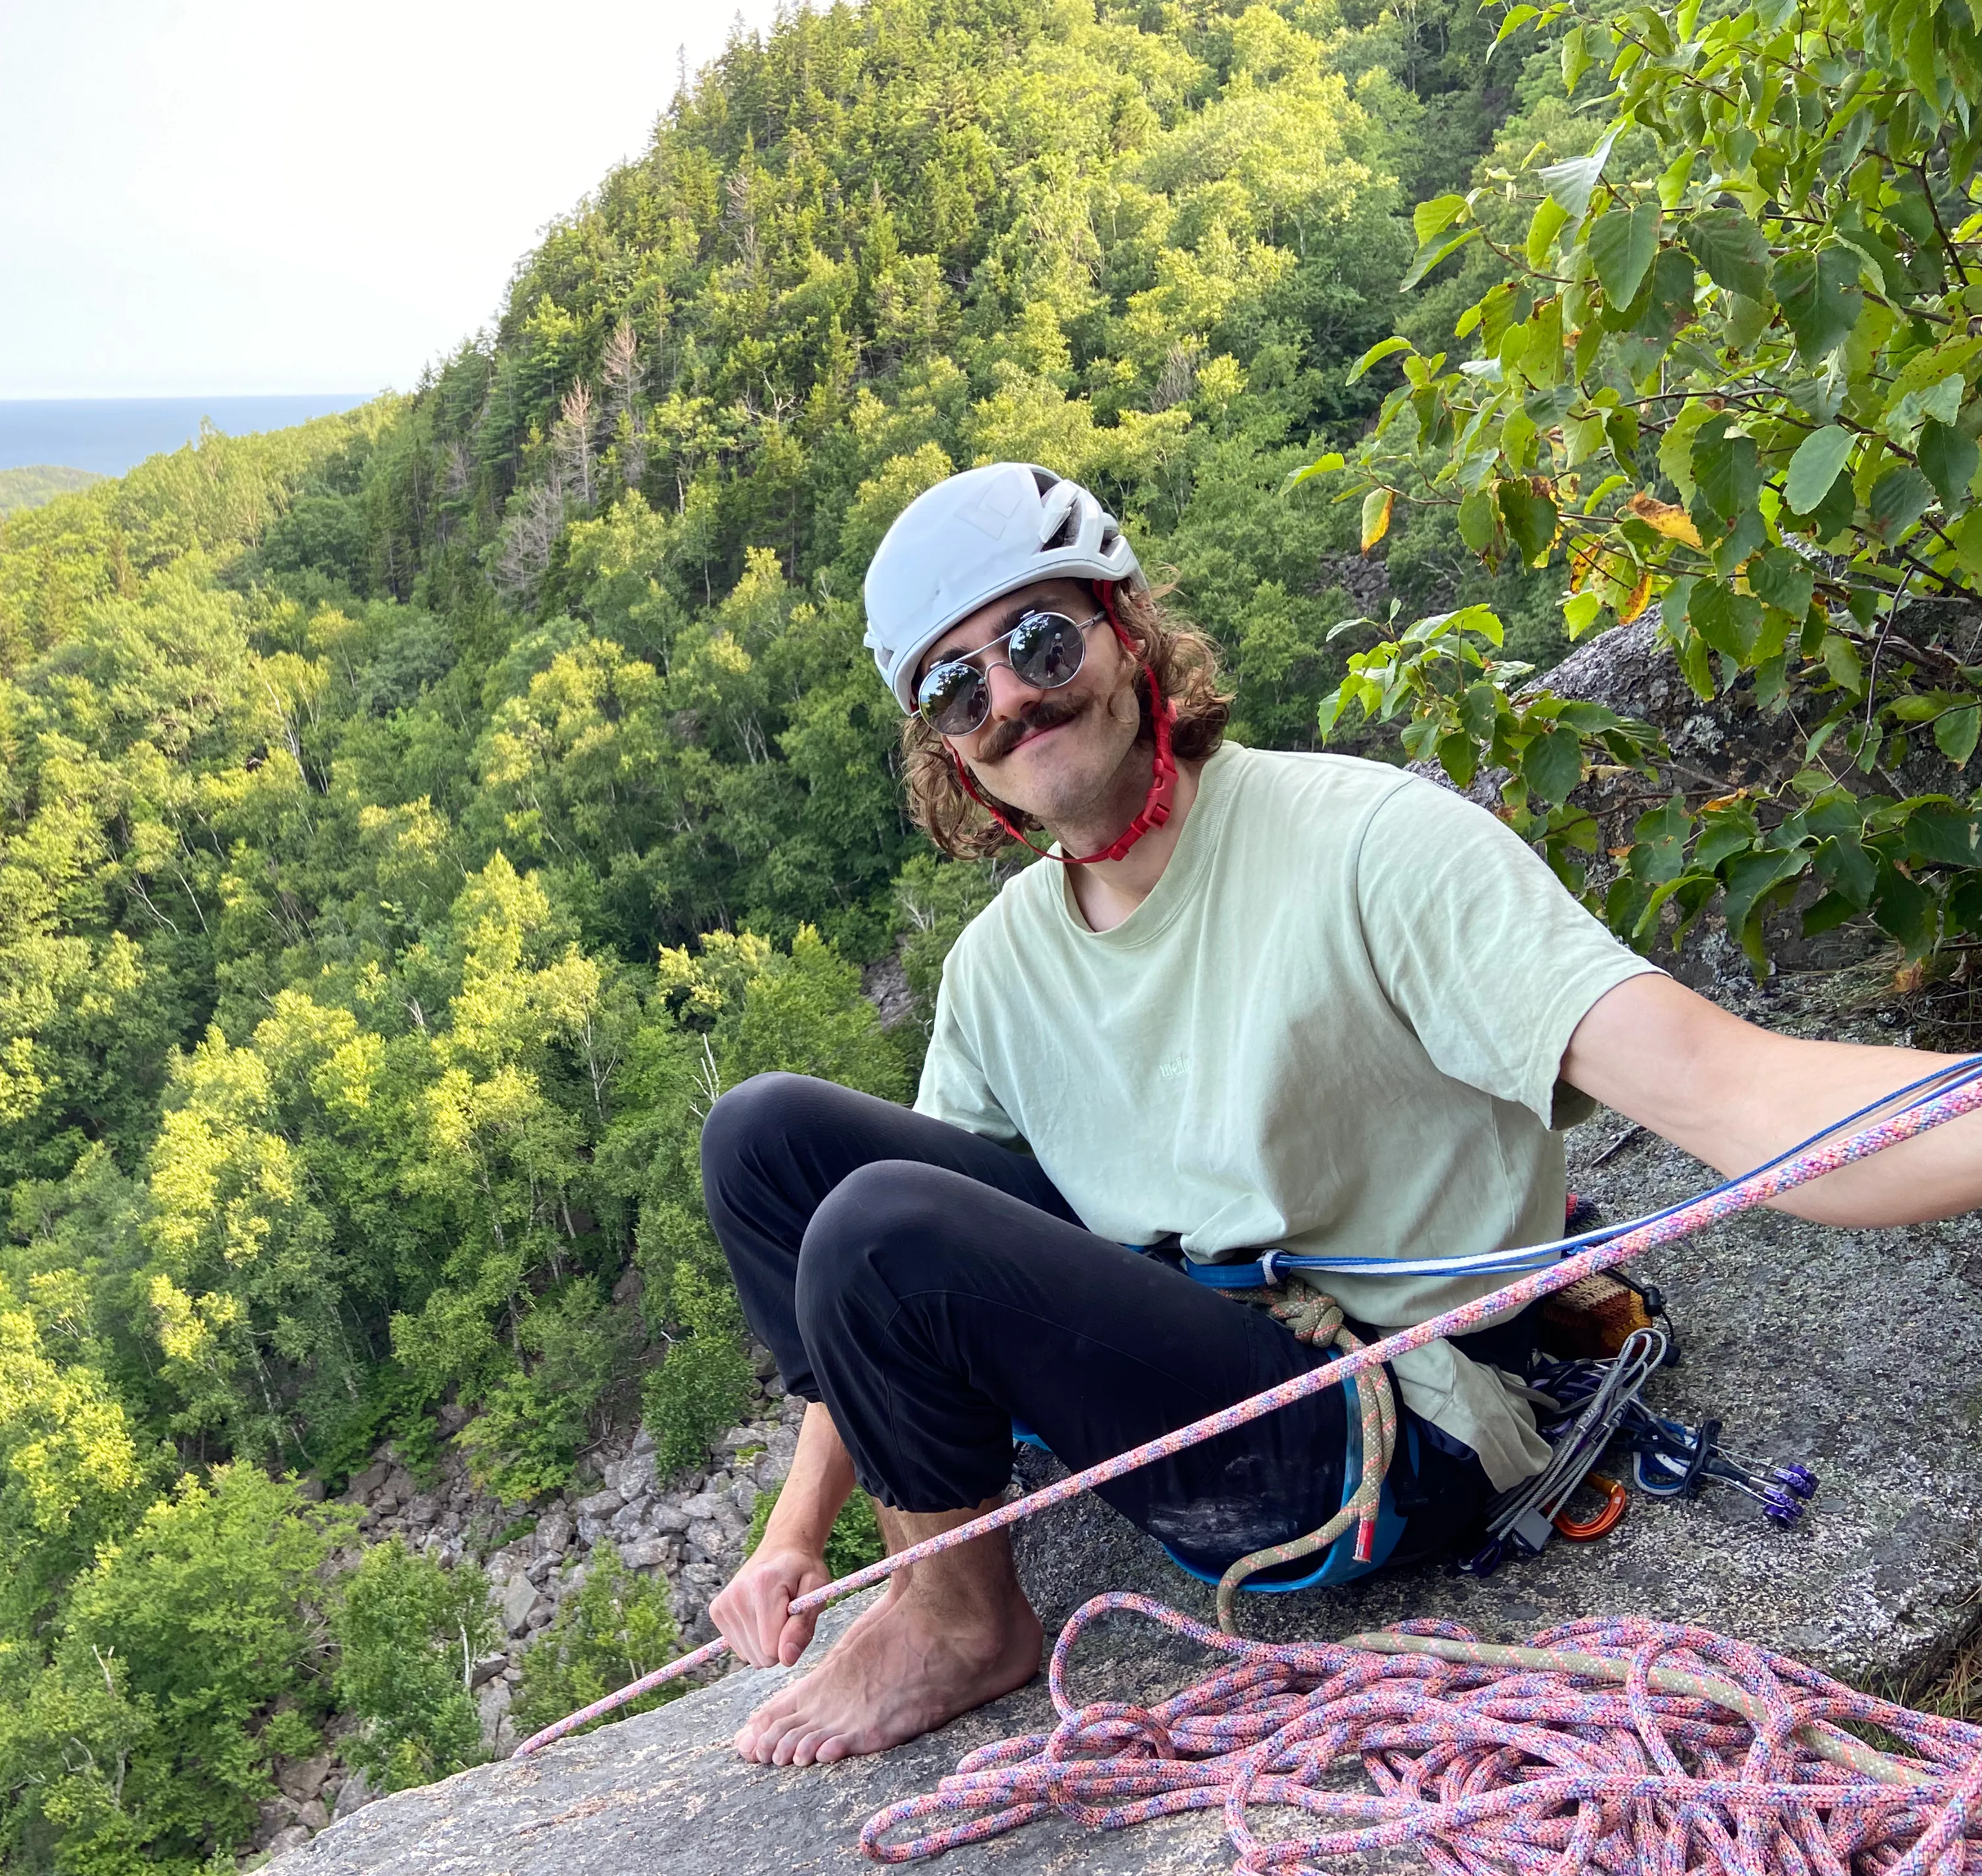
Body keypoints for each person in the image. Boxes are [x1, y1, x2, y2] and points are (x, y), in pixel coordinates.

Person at [703, 460, 1982, 1768]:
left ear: (1126, 629)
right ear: (945, 745)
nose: (1015, 697)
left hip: (1382, 1415)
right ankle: (936, 1588)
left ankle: (964, 1620)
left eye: (1038, 639)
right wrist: (795, 1532)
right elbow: (880, 1289)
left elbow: (1730, 1085)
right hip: (1188, 1339)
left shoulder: (1365, 843)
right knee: (765, 1139)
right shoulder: (1000, 968)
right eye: (959, 685)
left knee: (877, 1224)